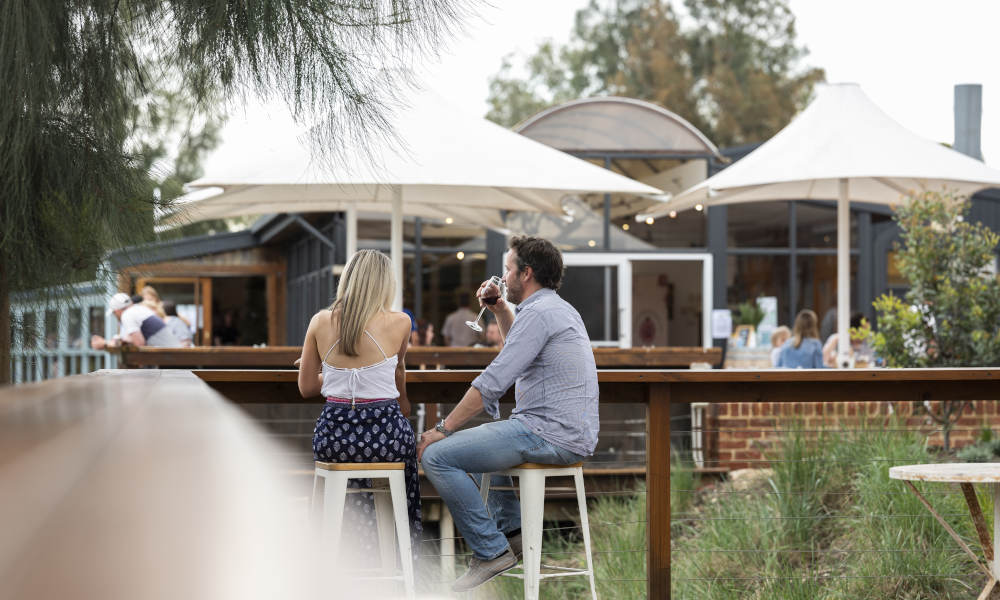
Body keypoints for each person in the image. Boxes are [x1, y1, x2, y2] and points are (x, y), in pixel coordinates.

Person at [417, 235, 599, 592]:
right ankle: (512, 534)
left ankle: (490, 551)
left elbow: (496, 377)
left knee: (438, 455)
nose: (503, 277)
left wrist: (443, 428)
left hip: (548, 433)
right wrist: (500, 309)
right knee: (479, 444)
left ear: (525, 273)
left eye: (507, 270)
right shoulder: (556, 308)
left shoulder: (540, 312)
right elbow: (521, 350)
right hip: (562, 431)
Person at [296, 249, 420, 561]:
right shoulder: (401, 322)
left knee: (347, 477)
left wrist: (333, 376)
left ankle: (343, 556)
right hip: (385, 435)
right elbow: (397, 373)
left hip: (335, 438)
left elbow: (307, 387)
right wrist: (402, 403)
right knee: (401, 463)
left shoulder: (321, 321)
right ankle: (397, 556)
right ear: (385, 284)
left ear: (347, 279)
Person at [90, 292, 183, 349]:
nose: (115, 316)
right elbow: (129, 339)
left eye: (114, 313)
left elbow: (139, 344)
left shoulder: (127, 315)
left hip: (172, 361)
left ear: (117, 310)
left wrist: (105, 343)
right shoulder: (139, 309)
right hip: (175, 356)